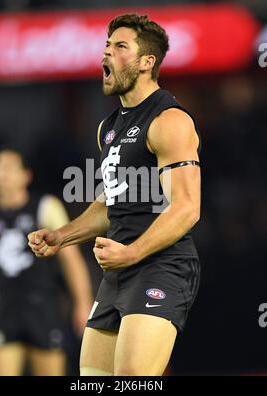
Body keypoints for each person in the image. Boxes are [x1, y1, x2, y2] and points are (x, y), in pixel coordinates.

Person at [28, 14, 201, 376]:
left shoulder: (169, 120)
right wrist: (63, 235)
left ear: (146, 63)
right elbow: (111, 202)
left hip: (161, 266)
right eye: (106, 46)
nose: (106, 54)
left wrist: (133, 252)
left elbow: (187, 208)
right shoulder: (109, 128)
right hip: (118, 272)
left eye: (120, 47)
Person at [0, 148, 93, 376]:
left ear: (26, 175)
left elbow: (72, 261)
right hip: (3, 309)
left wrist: (83, 303)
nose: (1, 174)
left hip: (43, 308)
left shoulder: (46, 207)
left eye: (9, 168)